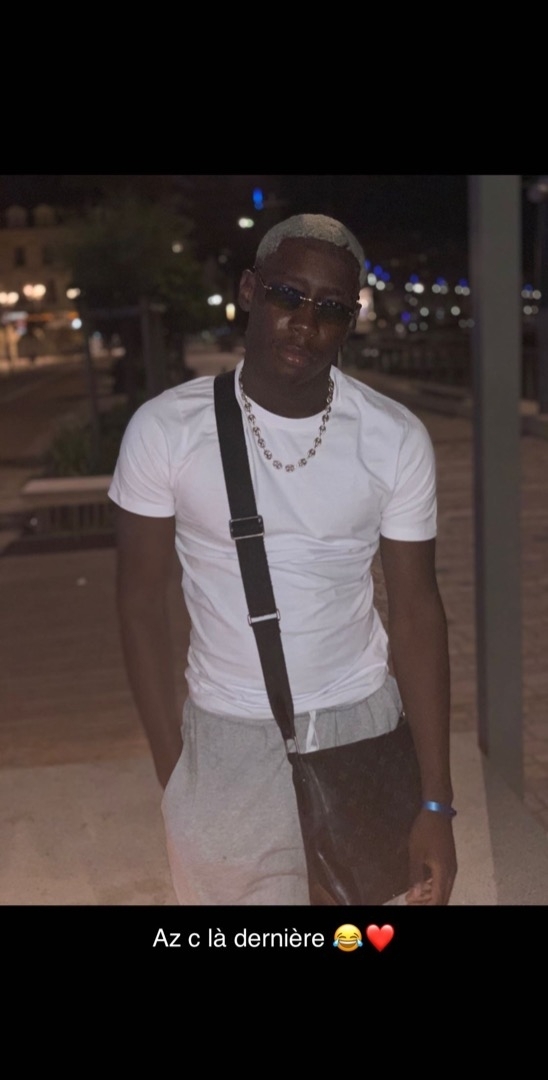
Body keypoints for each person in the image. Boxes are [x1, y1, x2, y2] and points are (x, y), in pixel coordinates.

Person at [108, 213, 457, 907]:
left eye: (331, 308)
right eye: (287, 295)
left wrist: (436, 803)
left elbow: (418, 611)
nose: (305, 322)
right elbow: (140, 601)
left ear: (351, 319)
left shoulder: (393, 438)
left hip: (361, 725)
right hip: (227, 733)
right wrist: (175, 775)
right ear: (250, 289)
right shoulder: (166, 430)